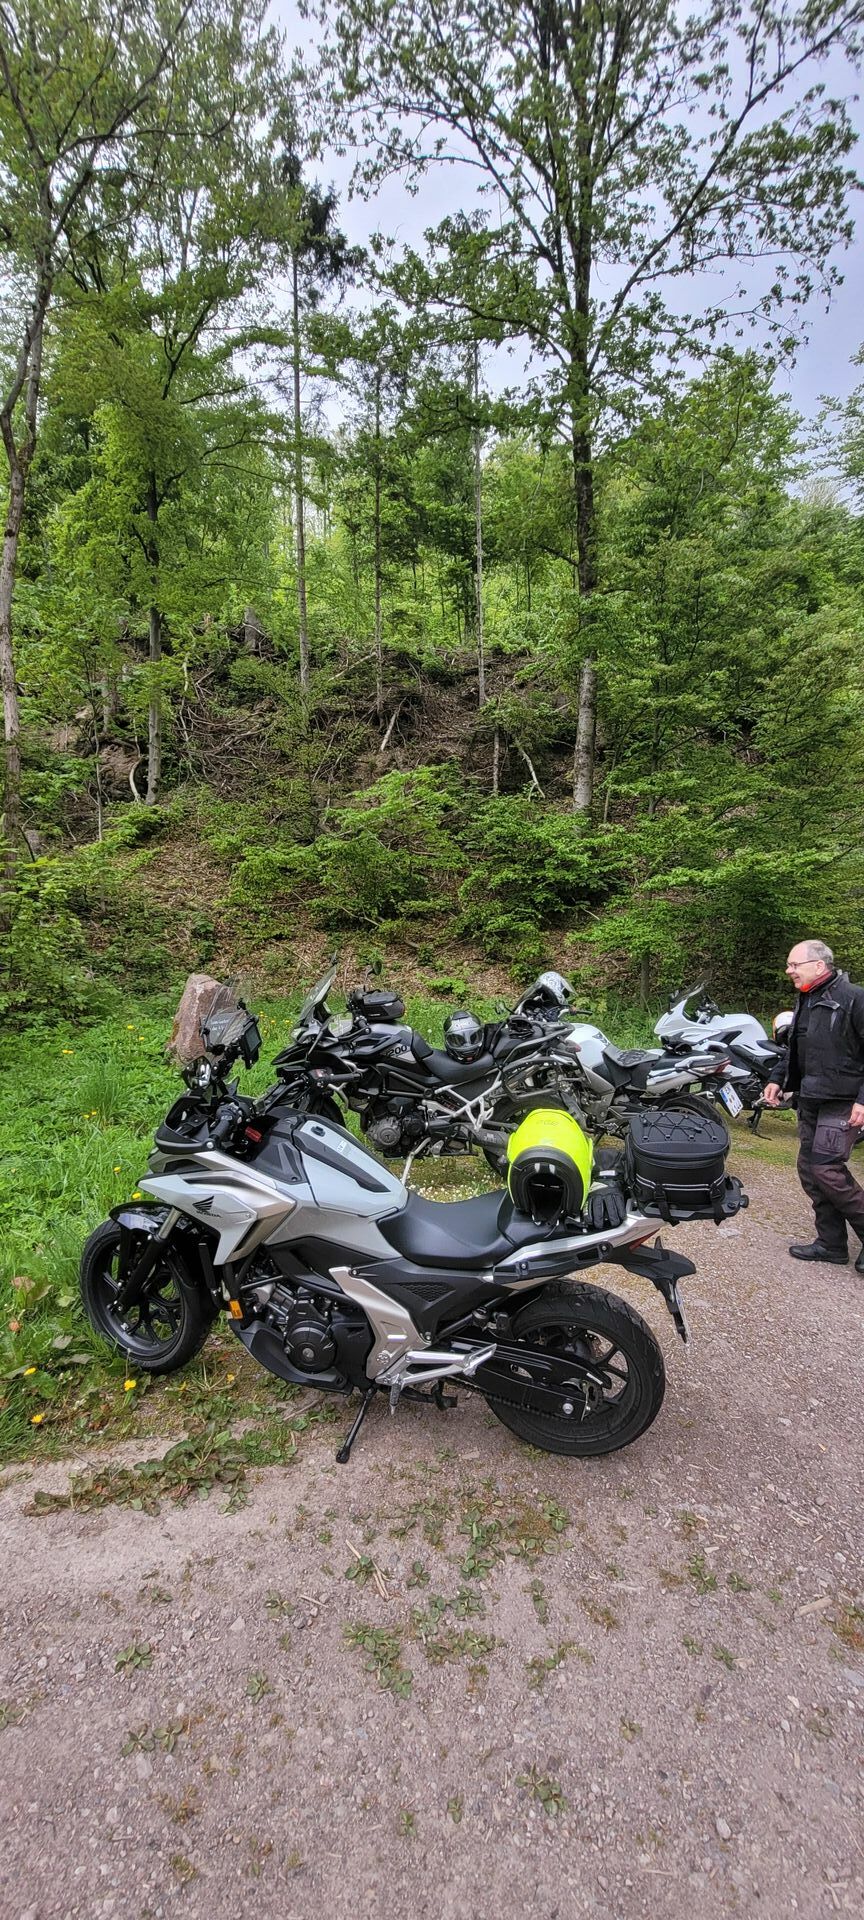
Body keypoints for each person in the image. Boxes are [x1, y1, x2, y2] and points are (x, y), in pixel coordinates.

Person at [763, 940, 864, 1271]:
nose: (788, 970)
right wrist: (778, 1079)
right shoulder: (807, 998)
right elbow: (795, 1049)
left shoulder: (854, 999)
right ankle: (831, 1244)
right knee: (810, 1171)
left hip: (843, 1100)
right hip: (810, 1098)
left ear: (819, 966)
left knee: (827, 1168)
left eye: (795, 965)